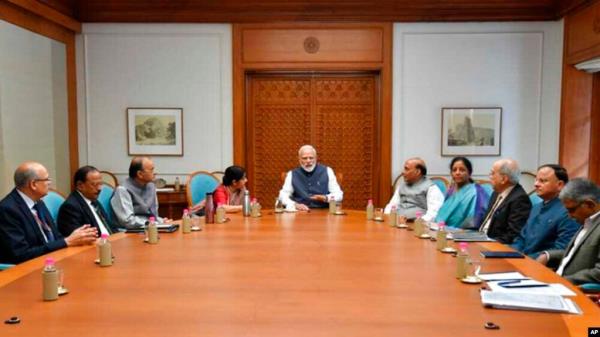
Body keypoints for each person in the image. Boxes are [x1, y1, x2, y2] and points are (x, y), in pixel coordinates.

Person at [0, 162, 98, 264]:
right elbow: (21, 254)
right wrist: (67, 242)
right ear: (33, 184)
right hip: (28, 270)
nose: (49, 183)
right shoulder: (7, 210)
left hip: (52, 260)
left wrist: (78, 239)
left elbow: (55, 237)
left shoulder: (38, 202)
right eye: (46, 179)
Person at [536, 178, 600, 285]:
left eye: (572, 210)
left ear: (590, 204)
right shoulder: (587, 221)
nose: (570, 216)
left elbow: (598, 272)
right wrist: (548, 255)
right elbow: (575, 254)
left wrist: (561, 281)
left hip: (574, 289)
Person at [510, 165, 579, 258]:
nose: (536, 184)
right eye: (536, 180)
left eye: (543, 181)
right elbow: (521, 239)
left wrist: (524, 259)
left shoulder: (569, 211)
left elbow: (562, 249)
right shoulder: (536, 208)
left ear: (560, 185)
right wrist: (508, 253)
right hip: (521, 260)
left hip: (542, 266)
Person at [479, 158, 532, 244]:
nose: (490, 177)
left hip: (495, 246)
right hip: (481, 239)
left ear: (503, 179)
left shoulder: (520, 199)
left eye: (492, 173)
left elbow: (513, 235)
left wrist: (487, 242)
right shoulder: (496, 193)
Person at [57, 165, 118, 237]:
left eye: (100, 184)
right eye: (94, 184)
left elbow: (110, 227)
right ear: (80, 185)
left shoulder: (94, 201)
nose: (99, 188)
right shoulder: (70, 207)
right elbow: (79, 238)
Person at [278, 145, 343, 211]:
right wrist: (294, 204)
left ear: (316, 158)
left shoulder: (327, 171)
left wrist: (325, 198)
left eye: (311, 158)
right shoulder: (291, 174)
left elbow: (338, 195)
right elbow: (283, 195)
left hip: (323, 212)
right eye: (304, 158)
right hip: (300, 213)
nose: (308, 161)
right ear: (299, 159)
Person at [111, 157, 169, 229]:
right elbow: (128, 221)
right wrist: (154, 223)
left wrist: (161, 221)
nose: (155, 173)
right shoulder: (123, 190)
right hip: (131, 232)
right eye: (151, 170)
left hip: (149, 227)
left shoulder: (151, 186)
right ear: (140, 174)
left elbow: (152, 215)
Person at [434, 157, 489, 229]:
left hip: (463, 235)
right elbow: (441, 214)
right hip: (440, 230)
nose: (457, 173)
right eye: (454, 170)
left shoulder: (477, 192)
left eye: (462, 170)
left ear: (469, 173)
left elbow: (475, 221)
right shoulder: (450, 191)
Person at [384, 158, 444, 224]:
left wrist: (418, 223)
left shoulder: (431, 188)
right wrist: (387, 217)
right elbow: (392, 205)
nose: (402, 172)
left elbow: (434, 213)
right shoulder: (401, 186)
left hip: (417, 226)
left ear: (417, 172)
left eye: (406, 169)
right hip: (397, 223)